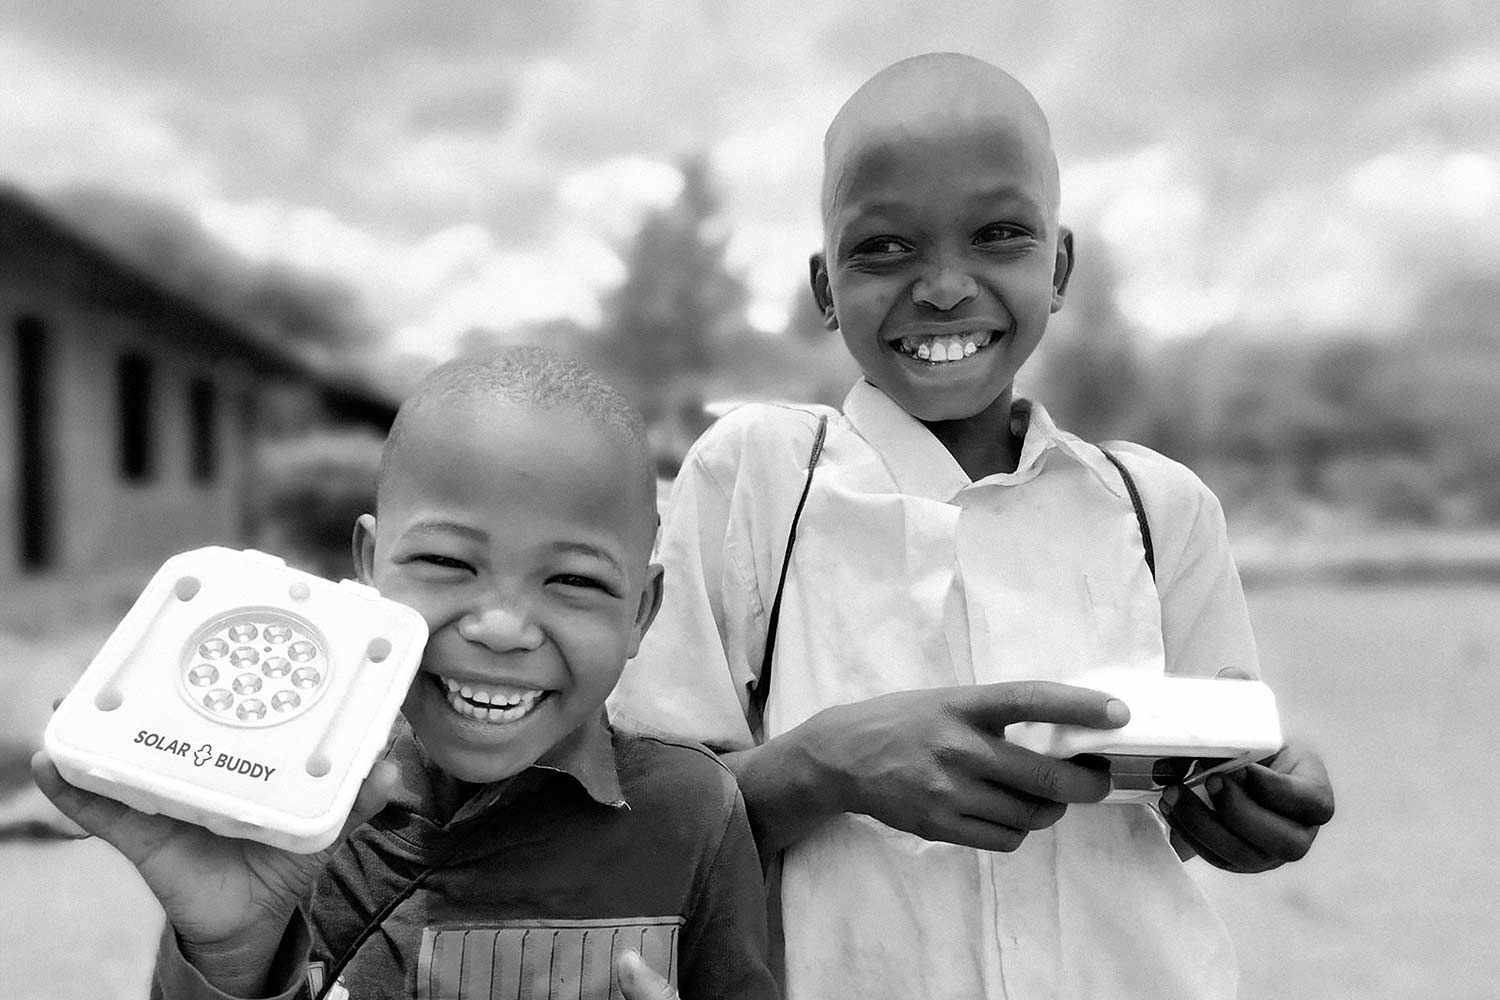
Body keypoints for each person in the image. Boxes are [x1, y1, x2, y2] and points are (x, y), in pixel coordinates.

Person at [608, 52, 1335, 999]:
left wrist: (1255, 803)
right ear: (826, 289)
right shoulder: (755, 481)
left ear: (1057, 264)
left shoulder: (1160, 511)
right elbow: (634, 828)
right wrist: (827, 763)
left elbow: (1203, 789)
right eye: (885, 247)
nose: (946, 287)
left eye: (998, 234)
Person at [35, 348, 777, 1000]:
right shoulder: (287, 806)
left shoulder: (694, 817)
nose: (502, 628)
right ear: (369, 565)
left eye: (575, 581)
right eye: (449, 563)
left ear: (641, 612)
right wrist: (231, 957)